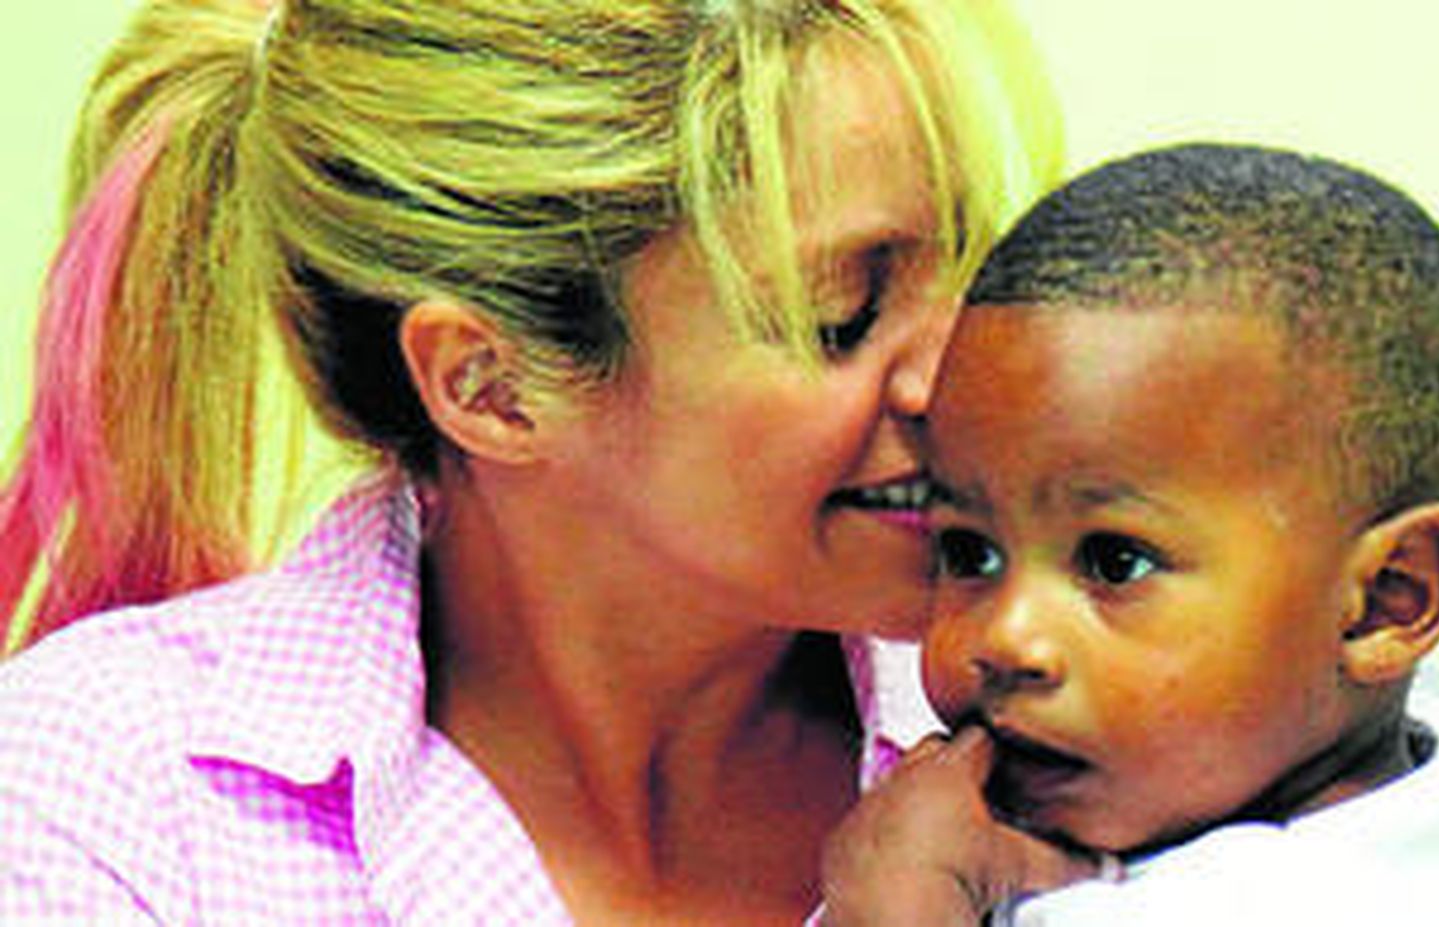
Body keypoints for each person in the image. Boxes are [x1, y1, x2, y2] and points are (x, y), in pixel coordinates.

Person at [0, 0, 1062, 922]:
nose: (963, 373)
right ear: (489, 388)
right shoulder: (106, 805)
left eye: (973, 262)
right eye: (841, 316)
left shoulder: (1092, 729)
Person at [819, 143, 1439, 926]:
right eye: (969, 552)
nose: (1006, 638)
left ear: (1386, 599)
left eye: (1115, 561)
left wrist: (893, 904)